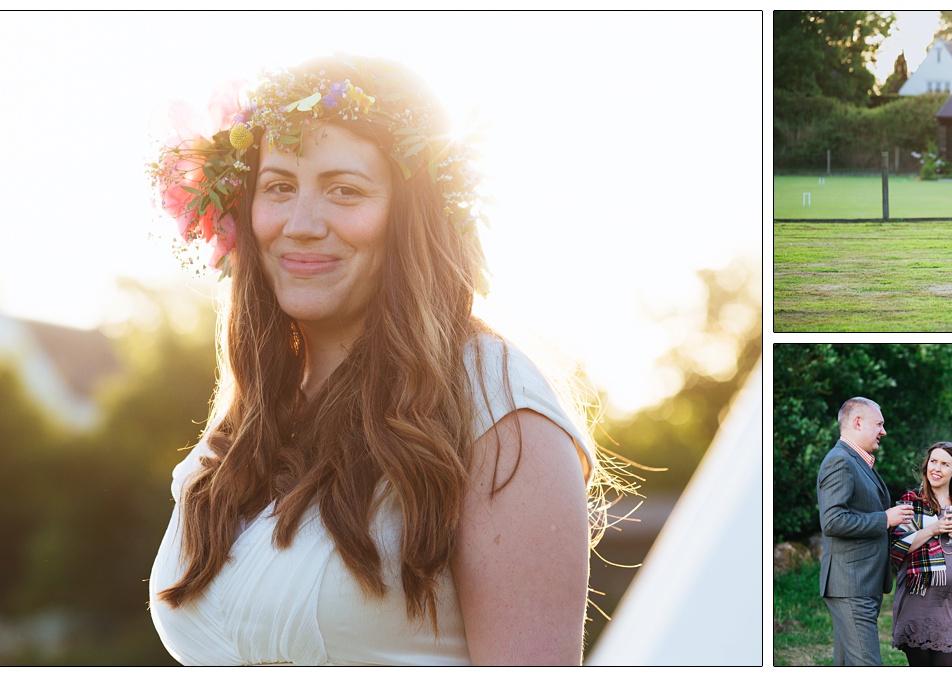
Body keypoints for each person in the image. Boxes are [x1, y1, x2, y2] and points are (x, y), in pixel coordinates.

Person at [144, 55, 614, 666]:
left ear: (410, 216)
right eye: (279, 186)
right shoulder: (255, 410)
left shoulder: (500, 414)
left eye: (346, 190)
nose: (302, 224)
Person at [818, 397, 912, 666]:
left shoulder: (858, 461)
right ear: (858, 422)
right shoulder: (840, 461)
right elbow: (833, 521)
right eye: (879, 424)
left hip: (862, 582)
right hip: (851, 585)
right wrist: (884, 518)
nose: (884, 431)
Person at [889, 442, 952, 667]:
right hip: (918, 599)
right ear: (926, 466)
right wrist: (933, 529)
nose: (937, 468)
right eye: (933, 461)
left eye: (944, 464)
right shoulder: (911, 502)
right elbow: (896, 547)